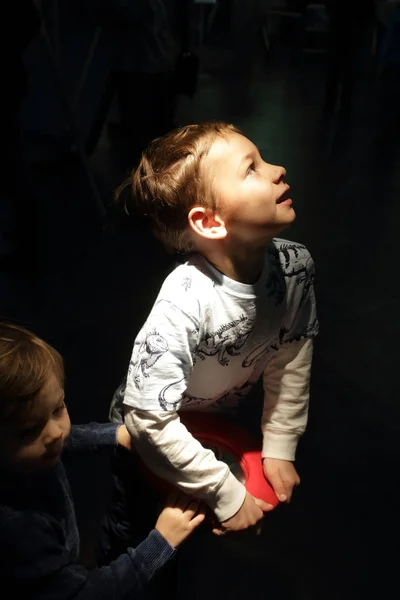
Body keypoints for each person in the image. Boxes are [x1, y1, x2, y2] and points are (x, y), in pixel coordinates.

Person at [107, 121, 318, 541]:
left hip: (215, 424)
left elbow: (291, 354)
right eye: (251, 169)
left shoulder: (296, 267)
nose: (277, 169)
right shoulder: (184, 299)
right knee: (137, 538)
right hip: (147, 434)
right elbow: (148, 420)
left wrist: (279, 443)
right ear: (210, 222)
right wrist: (225, 491)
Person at [0, 322, 205, 599]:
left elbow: (65, 441)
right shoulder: (20, 533)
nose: (54, 434)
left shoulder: (32, 453)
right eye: (28, 430)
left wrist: (114, 434)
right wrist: (161, 542)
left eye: (58, 409)